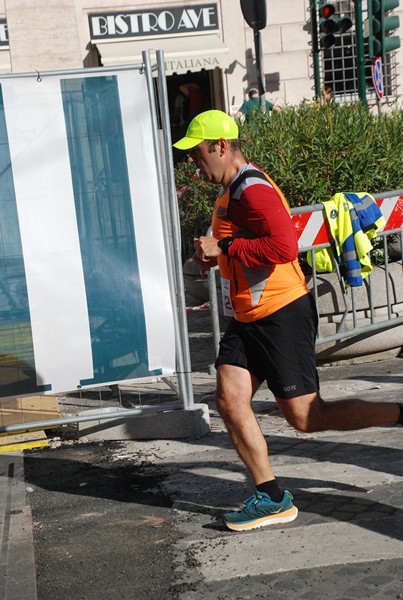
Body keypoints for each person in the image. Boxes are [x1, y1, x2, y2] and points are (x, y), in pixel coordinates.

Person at [173, 109, 403, 533]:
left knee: (306, 418)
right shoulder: (230, 191)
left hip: (281, 314)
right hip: (249, 316)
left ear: (222, 147)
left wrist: (222, 247)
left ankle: (398, 413)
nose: (193, 161)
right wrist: (214, 256)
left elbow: (283, 246)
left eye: (198, 152)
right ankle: (272, 497)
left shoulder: (251, 190)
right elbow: (244, 247)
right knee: (229, 398)